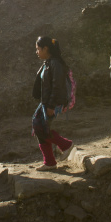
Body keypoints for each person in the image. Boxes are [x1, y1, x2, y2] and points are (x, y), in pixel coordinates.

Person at [32, 36, 74, 170]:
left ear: (46, 48)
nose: (37, 52)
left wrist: (51, 105)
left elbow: (57, 85)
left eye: (38, 49)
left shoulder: (55, 64)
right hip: (47, 101)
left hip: (53, 102)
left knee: (40, 126)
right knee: (39, 126)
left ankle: (66, 145)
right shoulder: (49, 63)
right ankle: (49, 162)